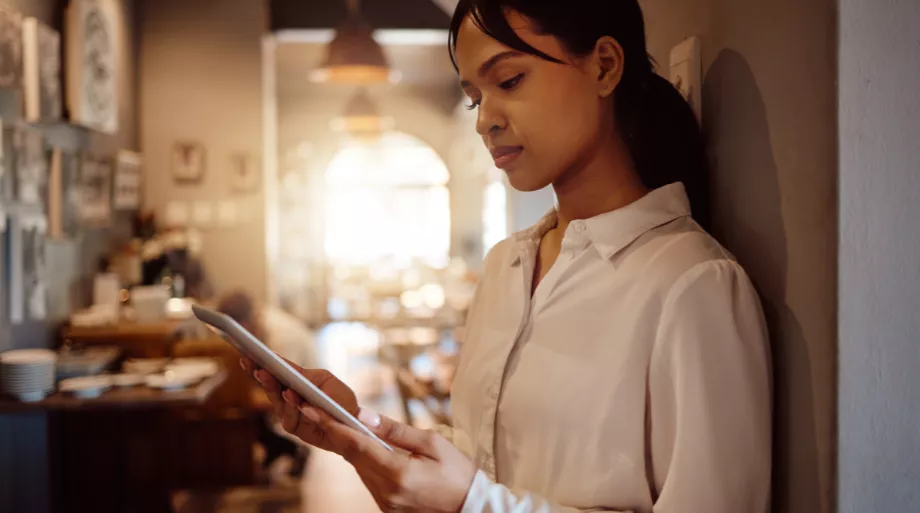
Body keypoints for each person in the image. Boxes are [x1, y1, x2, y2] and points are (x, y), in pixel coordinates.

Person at [244, 1, 771, 511]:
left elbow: (480, 493)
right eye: (475, 97)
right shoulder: (506, 266)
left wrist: (472, 503)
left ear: (604, 66)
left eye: (510, 81)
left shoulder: (692, 284)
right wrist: (359, 432)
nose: (484, 121)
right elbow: (486, 456)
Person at [218, 291, 318, 479]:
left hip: (303, 391)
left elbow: (289, 387)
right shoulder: (260, 319)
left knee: (238, 404)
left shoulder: (283, 338)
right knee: (235, 399)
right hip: (287, 385)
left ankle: (288, 447)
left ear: (243, 325)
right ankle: (278, 447)